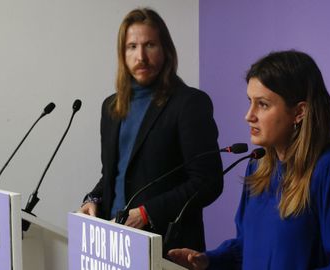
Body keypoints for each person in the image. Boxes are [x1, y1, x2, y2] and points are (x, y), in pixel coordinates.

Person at [168, 50, 330, 269]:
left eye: (263, 104)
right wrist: (209, 260)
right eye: (250, 101)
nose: (249, 115)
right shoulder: (257, 164)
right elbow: (246, 247)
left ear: (299, 112)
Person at [79, 8, 223, 252]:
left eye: (150, 45)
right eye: (132, 47)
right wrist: (92, 199)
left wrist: (146, 213)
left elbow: (207, 181)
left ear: (166, 50)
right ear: (122, 54)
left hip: (167, 245)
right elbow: (114, 175)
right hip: (113, 240)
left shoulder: (189, 103)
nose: (141, 56)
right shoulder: (111, 107)